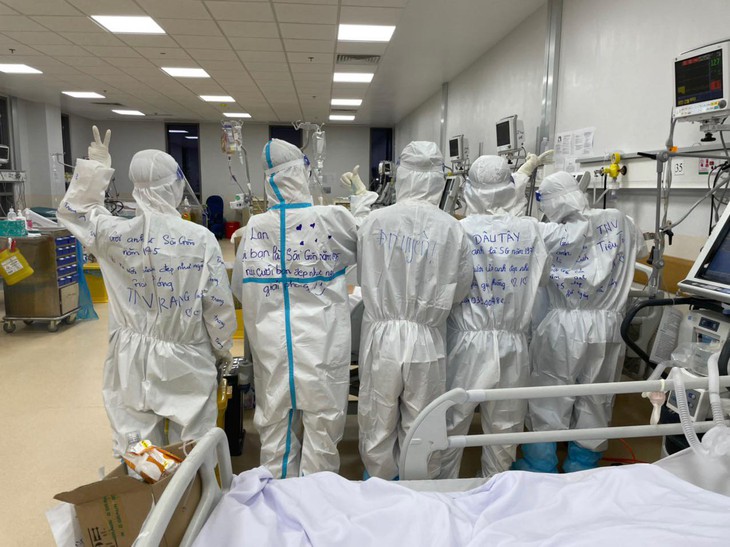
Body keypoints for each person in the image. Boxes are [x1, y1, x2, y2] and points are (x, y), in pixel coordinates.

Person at [57, 127, 236, 456]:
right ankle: (188, 490)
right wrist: (223, 349)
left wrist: (95, 169)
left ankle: (145, 488)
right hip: (187, 357)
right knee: (192, 446)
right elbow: (217, 305)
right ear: (175, 187)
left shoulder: (113, 233)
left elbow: (78, 212)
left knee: (139, 446)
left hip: (131, 356)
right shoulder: (199, 239)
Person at [233, 139, 375, 478]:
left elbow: (240, 288)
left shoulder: (254, 229)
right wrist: (362, 198)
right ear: (301, 174)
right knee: (323, 427)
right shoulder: (329, 220)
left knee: (275, 428)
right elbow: (367, 235)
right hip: (321, 345)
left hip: (273, 349)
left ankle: (277, 496)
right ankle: (315, 497)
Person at [513, 171, 647, 473]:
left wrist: (519, 181)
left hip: (563, 325)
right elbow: (642, 250)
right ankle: (583, 465)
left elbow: (515, 231)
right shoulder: (621, 221)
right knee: (597, 396)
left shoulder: (549, 233)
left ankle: (539, 463)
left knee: (550, 394)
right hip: (608, 326)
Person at [357, 141, 473, 480]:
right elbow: (461, 288)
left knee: (378, 419)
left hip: (381, 335)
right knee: (422, 422)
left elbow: (363, 273)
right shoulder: (452, 228)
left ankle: (379, 485)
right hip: (427, 337)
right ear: (438, 179)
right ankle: (420, 490)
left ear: (403, 176)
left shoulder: (374, 221)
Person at [438, 155, 550, 479]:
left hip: (466, 343)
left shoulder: (459, 229)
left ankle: (443, 492)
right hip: (513, 343)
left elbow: (450, 287)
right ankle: (496, 492)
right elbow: (542, 279)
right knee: (505, 430)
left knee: (451, 424)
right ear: (508, 188)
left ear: (470, 190)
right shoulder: (530, 230)